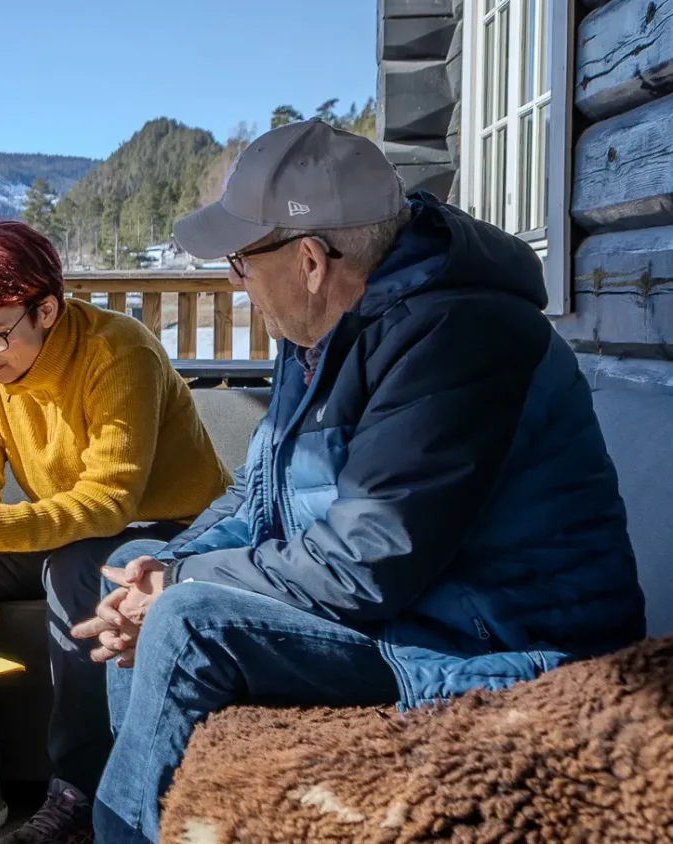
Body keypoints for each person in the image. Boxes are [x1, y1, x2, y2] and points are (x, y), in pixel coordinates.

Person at [73, 119, 648, 844]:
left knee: (186, 622)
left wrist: (180, 583)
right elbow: (259, 500)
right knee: (129, 570)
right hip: (406, 616)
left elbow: (368, 560)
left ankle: (121, 830)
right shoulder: (318, 334)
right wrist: (164, 566)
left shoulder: (461, 337)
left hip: (501, 644)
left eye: (242, 262)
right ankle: (157, 813)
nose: (232, 281)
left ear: (311, 260)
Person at [0, 221, 231, 844]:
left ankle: (80, 795)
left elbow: (108, 502)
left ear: (48, 311)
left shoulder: (120, 353)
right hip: (72, 525)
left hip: (169, 530)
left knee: (78, 566)